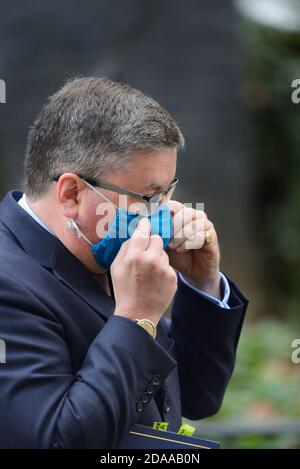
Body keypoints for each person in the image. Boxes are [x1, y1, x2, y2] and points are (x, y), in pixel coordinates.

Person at [0, 77, 248, 448]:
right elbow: (55, 440)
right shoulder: (8, 282)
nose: (160, 213)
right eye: (147, 197)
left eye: (167, 193)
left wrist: (202, 284)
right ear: (72, 193)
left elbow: (197, 397)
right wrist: (136, 317)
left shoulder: (116, 254)